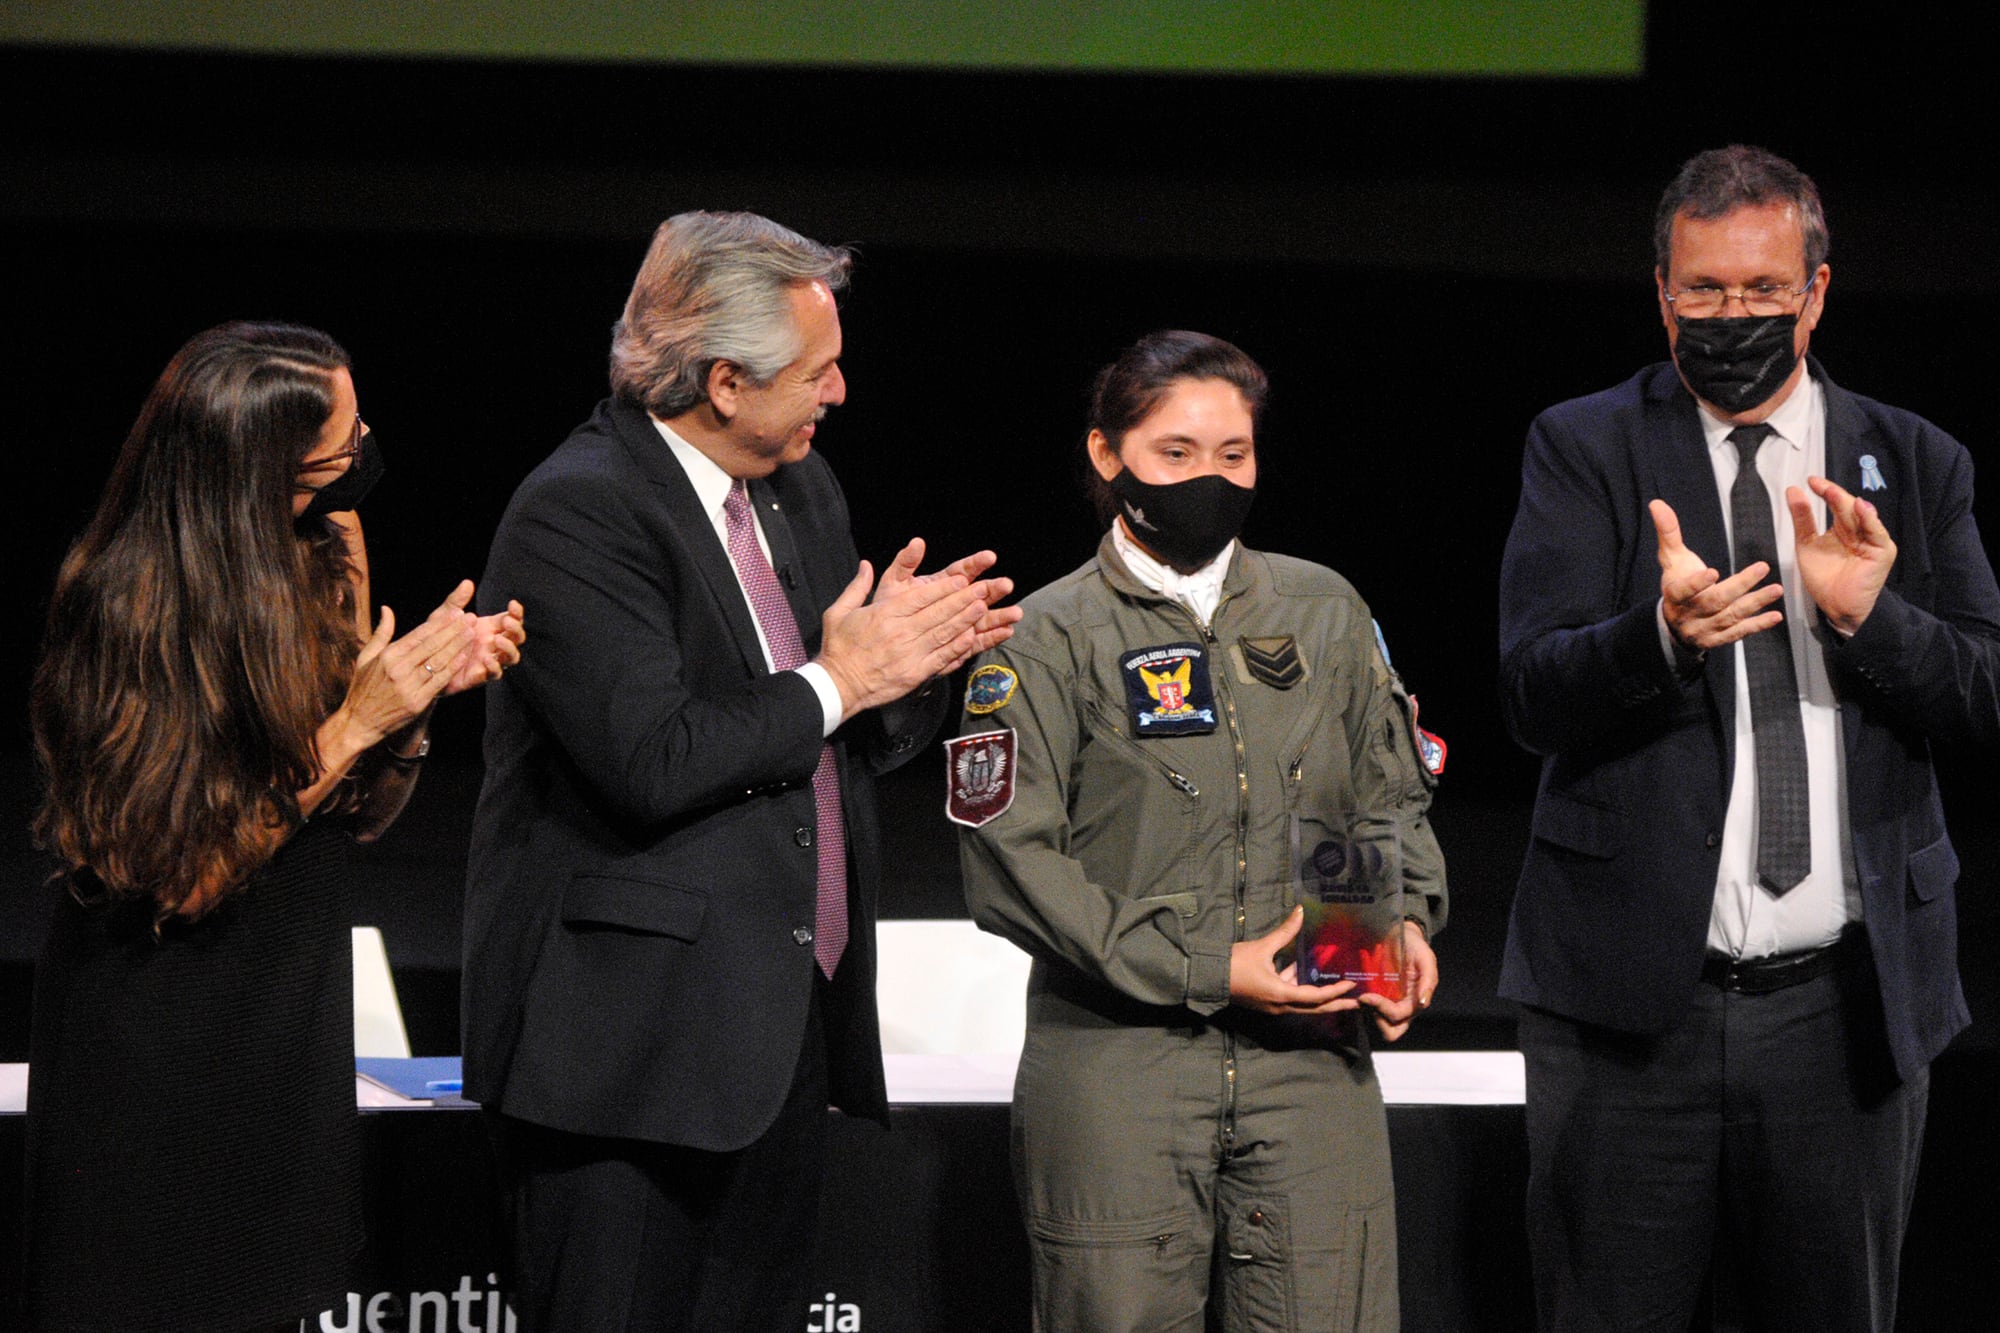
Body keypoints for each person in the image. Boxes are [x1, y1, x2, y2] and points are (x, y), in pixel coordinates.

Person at [462, 210, 1021, 1331]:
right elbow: (653, 759)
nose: (839, 392)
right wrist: (838, 680)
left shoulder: (796, 488)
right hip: (624, 1062)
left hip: (772, 1038)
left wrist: (911, 667)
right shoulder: (579, 509)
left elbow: (840, 722)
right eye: (817, 370)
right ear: (723, 381)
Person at [1498, 144, 2000, 1331]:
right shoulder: (1583, 445)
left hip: (1843, 1014)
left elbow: (1981, 692)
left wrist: (1871, 615)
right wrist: (1659, 637)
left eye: (1761, 292)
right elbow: (1529, 691)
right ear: (1660, 293)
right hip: (1626, 1018)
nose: (1732, 317)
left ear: (1815, 292)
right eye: (1703, 292)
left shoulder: (1915, 462)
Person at [24, 321, 525, 1331]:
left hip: (283, 1020)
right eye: (335, 450)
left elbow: (356, 818)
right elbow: (178, 877)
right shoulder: (123, 602)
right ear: (256, 466)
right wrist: (353, 725)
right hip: (158, 1044)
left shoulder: (325, 542)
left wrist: (413, 702)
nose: (356, 463)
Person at [955, 330, 1445, 1332]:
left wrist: (1383, 935)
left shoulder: (1321, 611)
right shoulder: (1044, 636)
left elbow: (1374, 798)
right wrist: (1210, 966)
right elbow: (1012, 861)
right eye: (1175, 453)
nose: (1208, 478)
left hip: (1306, 1060)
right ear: (1107, 455)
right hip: (1116, 1067)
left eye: (1231, 454)